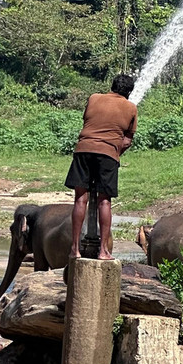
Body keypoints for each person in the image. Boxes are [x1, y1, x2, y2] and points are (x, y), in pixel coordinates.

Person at [65, 73, 137, 260]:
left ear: (112, 86)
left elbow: (88, 121)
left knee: (81, 199)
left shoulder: (94, 98)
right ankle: (103, 251)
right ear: (129, 92)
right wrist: (113, 153)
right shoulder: (131, 108)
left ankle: (75, 249)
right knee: (104, 201)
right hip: (108, 155)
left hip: (83, 150)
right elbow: (127, 141)